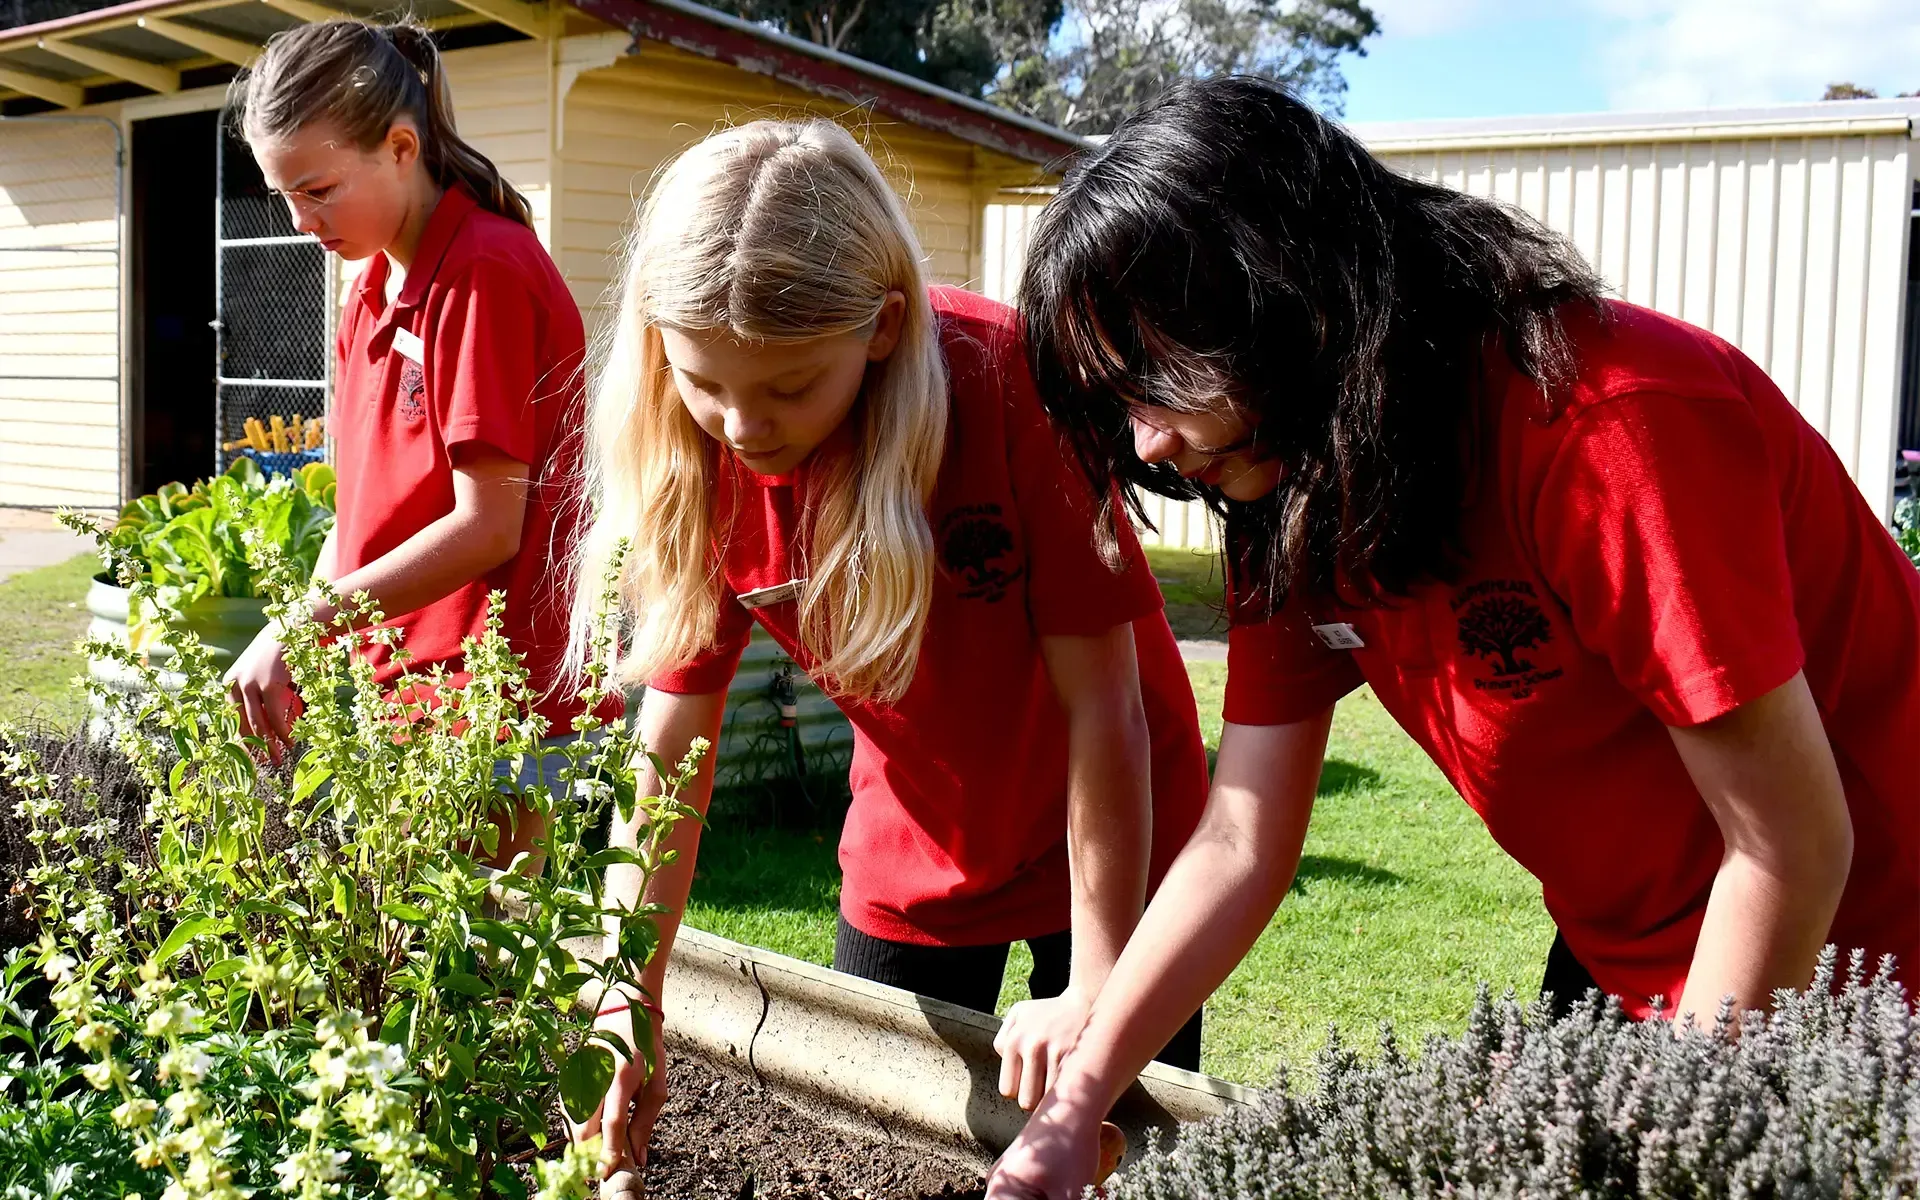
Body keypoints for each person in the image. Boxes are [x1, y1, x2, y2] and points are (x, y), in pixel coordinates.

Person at [989, 75, 1920, 1197]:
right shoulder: (1289, 482)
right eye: (1115, 403)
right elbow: (1240, 841)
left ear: (1286, 298)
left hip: (1860, 973)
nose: (1144, 445)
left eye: (1157, 383)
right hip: (1622, 957)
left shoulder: (1608, 427)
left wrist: (1673, 1147)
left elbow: (1790, 847)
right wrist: (1078, 1099)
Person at [565, 118, 1211, 1178]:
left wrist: (1098, 986)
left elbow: (1109, 709)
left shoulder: (1005, 380)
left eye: (787, 387)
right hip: (918, 833)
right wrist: (627, 986)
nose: (741, 424)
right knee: (868, 1140)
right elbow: (675, 740)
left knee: (1114, 1154)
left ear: (881, 330)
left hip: (1118, 824)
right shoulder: (700, 456)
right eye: (703, 380)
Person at [223, 18, 609, 863]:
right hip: (400, 691)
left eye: (318, 190)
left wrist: (301, 629)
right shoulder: (369, 291)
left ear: (402, 146)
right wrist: (296, 638)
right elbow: (363, 518)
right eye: (282, 194)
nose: (298, 221)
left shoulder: (483, 273)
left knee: (460, 974)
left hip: (491, 707)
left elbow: (488, 525)